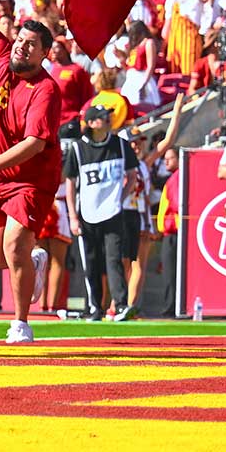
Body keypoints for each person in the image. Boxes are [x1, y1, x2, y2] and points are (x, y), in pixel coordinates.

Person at [0, 17, 64, 346]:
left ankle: (21, 322)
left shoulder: (46, 89)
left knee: (13, 243)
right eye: (20, 39)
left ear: (44, 54)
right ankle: (31, 260)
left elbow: (35, 143)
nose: (22, 46)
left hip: (30, 179)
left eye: (31, 44)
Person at [63, 100, 142, 321]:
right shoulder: (78, 148)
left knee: (115, 259)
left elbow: (132, 176)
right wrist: (72, 216)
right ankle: (94, 307)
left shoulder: (120, 144)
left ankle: (121, 305)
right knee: (91, 261)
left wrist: (119, 197)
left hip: (113, 212)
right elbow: (70, 182)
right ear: (90, 123)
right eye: (101, 116)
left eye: (108, 116)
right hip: (86, 213)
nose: (107, 119)